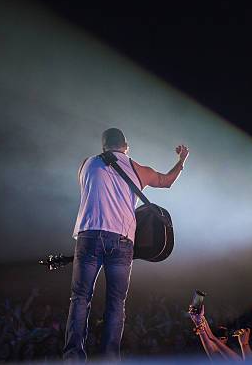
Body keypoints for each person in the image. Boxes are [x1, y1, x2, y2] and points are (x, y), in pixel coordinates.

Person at [63, 128, 189, 361]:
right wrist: (181, 160)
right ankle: (110, 359)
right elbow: (167, 181)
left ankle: (72, 357)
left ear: (103, 147)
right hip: (121, 240)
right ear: (126, 146)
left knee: (80, 298)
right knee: (115, 302)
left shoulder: (86, 165)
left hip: (89, 235)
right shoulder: (137, 168)